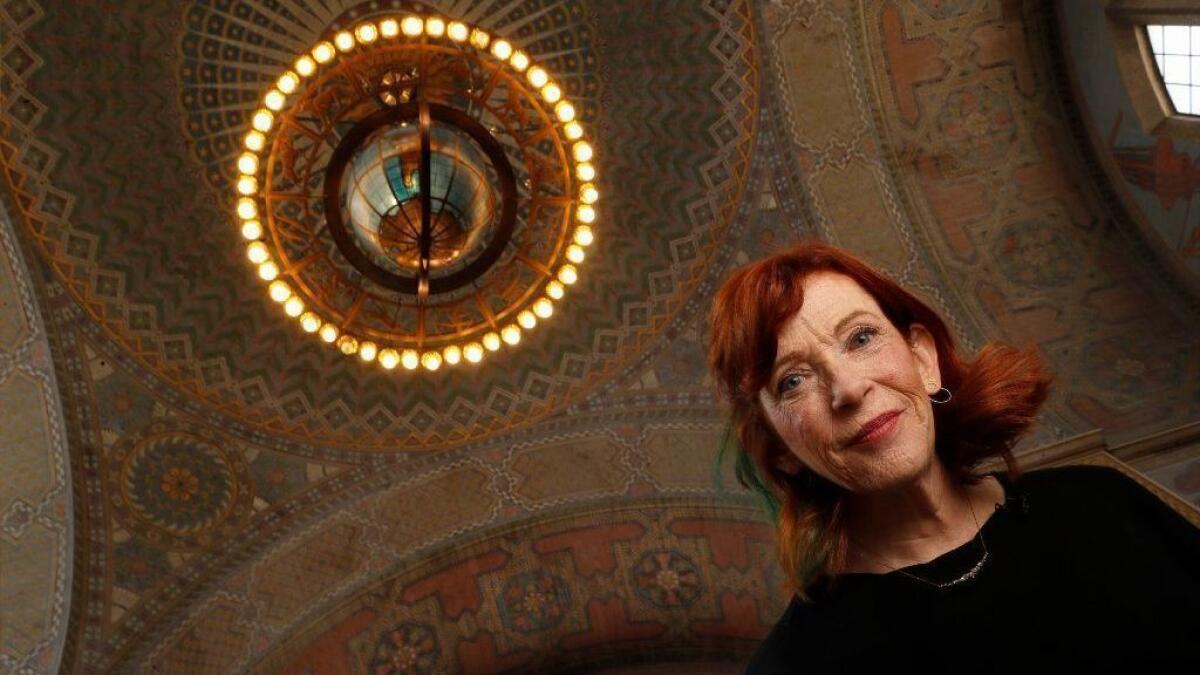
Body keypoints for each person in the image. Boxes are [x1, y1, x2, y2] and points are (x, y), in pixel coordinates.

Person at [706, 242, 1200, 673]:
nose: (850, 388)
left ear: (923, 360)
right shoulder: (796, 664)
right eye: (793, 380)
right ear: (778, 448)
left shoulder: (1101, 505)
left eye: (861, 338)